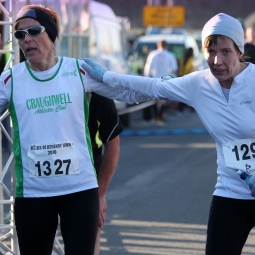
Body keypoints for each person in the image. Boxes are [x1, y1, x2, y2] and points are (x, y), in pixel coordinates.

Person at [82, 13, 255, 255]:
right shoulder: (200, 84)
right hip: (230, 193)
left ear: (239, 51)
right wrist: (103, 78)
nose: (217, 60)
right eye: (211, 51)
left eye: (225, 51)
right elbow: (150, 87)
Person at [0, 4, 148, 255]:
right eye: (19, 35)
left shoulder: (79, 71)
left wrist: (172, 87)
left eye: (33, 31)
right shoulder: (10, 80)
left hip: (79, 192)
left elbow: (128, 89)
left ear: (52, 34)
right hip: (33, 194)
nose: (26, 40)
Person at [87, 92, 123, 255]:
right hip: (42, 179)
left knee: (90, 228)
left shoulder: (99, 97)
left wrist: (99, 195)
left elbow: (113, 147)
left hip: (86, 175)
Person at [143, 40, 178, 125]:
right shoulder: (170, 55)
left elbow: (148, 68)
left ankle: (156, 117)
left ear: (157, 45)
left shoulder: (153, 54)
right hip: (165, 81)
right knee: (164, 100)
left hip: (155, 81)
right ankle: (161, 116)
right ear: (166, 46)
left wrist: (146, 80)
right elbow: (174, 68)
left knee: (155, 100)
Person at [177, 47, 194, 113]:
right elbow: (190, 69)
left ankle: (181, 108)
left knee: (181, 94)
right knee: (190, 94)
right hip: (189, 79)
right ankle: (191, 108)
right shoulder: (191, 59)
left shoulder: (182, 59)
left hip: (181, 78)